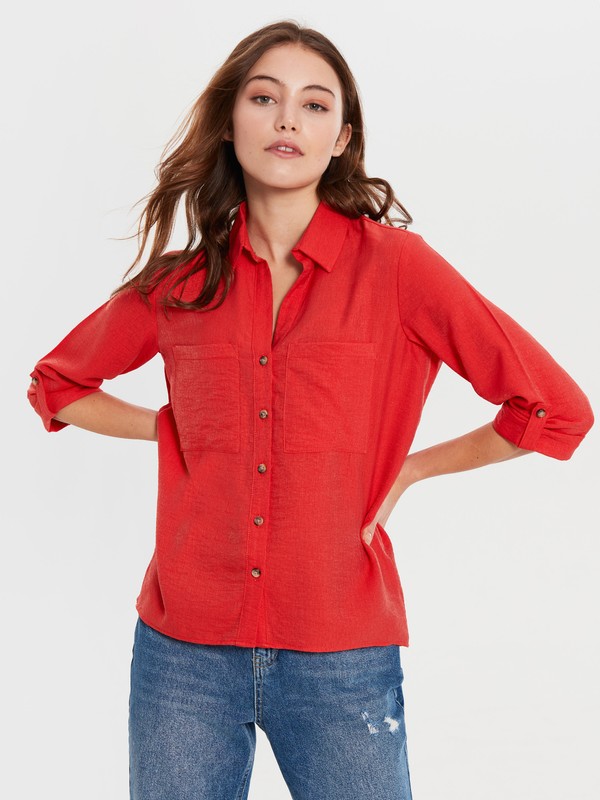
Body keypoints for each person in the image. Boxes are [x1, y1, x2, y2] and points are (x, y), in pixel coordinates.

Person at [27, 19, 593, 800]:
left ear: (341, 139)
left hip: (340, 655)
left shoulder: (399, 270)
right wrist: (165, 425)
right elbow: (56, 384)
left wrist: (410, 470)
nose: (288, 119)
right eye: (265, 98)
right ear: (231, 122)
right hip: (182, 655)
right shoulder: (182, 283)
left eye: (315, 105)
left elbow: (555, 408)